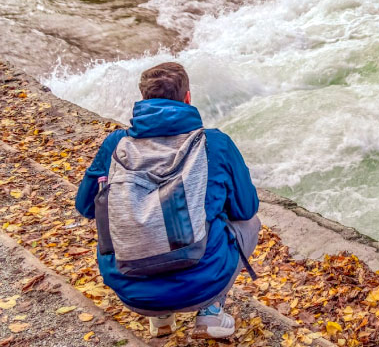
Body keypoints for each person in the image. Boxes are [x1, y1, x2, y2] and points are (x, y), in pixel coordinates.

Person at [75, 62, 260, 339]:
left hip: (132, 289)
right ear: (188, 98)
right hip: (202, 284)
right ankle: (210, 312)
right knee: (250, 224)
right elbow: (246, 208)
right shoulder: (215, 143)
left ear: (142, 100)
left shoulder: (116, 144)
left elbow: (86, 207)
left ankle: (160, 318)